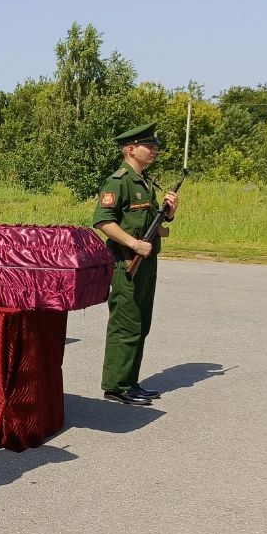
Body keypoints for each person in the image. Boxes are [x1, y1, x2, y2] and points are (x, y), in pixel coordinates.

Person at [92, 121, 180, 407]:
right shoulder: (119, 181)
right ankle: (117, 385)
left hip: (146, 263)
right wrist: (132, 243)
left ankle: (130, 380)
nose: (154, 150)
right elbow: (104, 221)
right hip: (126, 262)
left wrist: (168, 214)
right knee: (126, 324)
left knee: (141, 323)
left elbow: (152, 225)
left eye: (154, 146)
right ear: (131, 149)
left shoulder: (144, 183)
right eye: (149, 146)